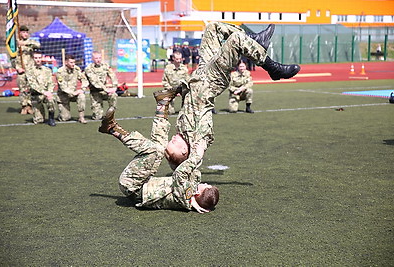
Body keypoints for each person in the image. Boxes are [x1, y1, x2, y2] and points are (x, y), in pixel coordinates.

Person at [165, 22, 300, 169]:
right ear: (185, 150)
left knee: (213, 28)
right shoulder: (198, 138)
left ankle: (252, 38)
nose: (171, 139)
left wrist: (173, 92)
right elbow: (195, 157)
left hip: (200, 72)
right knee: (236, 40)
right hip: (211, 80)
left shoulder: (180, 129)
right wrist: (193, 159)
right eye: (173, 144)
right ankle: (273, 68)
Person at [98, 92, 219, 213]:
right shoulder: (192, 190)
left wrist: (198, 155)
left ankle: (112, 128)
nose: (206, 183)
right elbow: (192, 170)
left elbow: (181, 173)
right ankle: (162, 104)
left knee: (153, 151)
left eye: (206, 186)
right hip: (143, 182)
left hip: (133, 187)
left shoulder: (185, 195)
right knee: (160, 148)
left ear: (198, 193)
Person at [14, 25, 40, 115]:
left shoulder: (30, 42)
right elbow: (12, 59)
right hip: (21, 70)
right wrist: (17, 68)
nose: (25, 34)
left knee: (30, 89)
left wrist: (24, 44)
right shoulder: (15, 44)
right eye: (23, 32)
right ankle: (24, 106)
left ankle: (30, 106)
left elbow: (38, 45)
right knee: (22, 89)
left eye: (26, 32)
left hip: (30, 70)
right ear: (19, 33)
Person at [26, 50, 56, 126]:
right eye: (36, 58)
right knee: (39, 121)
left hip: (46, 95)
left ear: (42, 58)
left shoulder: (47, 70)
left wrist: (49, 92)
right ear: (33, 59)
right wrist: (44, 92)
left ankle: (51, 118)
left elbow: (51, 83)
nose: (38, 59)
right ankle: (40, 113)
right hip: (36, 96)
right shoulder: (29, 71)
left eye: (39, 57)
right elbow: (33, 84)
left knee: (51, 99)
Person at [85, 51, 118, 120]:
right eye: (96, 58)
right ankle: (97, 113)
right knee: (97, 117)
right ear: (92, 59)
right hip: (95, 92)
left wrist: (114, 87)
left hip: (105, 91)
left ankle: (111, 114)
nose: (98, 60)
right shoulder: (88, 69)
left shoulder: (105, 66)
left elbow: (112, 75)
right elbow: (95, 81)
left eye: (100, 58)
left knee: (113, 95)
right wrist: (106, 89)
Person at [56, 54, 88, 124]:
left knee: (82, 95)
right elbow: (62, 86)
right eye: (71, 62)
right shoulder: (60, 71)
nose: (73, 64)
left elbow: (84, 80)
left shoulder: (77, 69)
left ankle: (81, 117)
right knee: (65, 118)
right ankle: (61, 115)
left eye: (74, 62)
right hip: (63, 96)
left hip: (74, 94)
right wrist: (73, 92)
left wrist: (82, 89)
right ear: (66, 62)